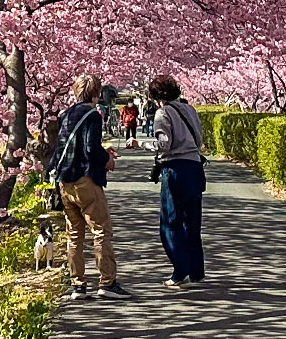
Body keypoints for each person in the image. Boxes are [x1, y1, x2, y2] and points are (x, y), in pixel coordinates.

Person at [53, 75, 137, 300]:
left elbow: (64, 148)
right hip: (85, 181)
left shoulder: (65, 115)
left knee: (74, 235)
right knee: (101, 231)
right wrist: (107, 158)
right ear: (96, 94)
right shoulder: (92, 115)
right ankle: (107, 282)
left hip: (65, 181)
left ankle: (78, 285)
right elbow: (90, 149)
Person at [140, 75, 208, 286]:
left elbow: (164, 144)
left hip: (175, 168)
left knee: (170, 222)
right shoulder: (190, 110)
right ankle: (196, 271)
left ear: (156, 97)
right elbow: (199, 139)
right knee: (192, 222)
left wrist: (141, 144)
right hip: (194, 167)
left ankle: (180, 271)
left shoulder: (163, 113)